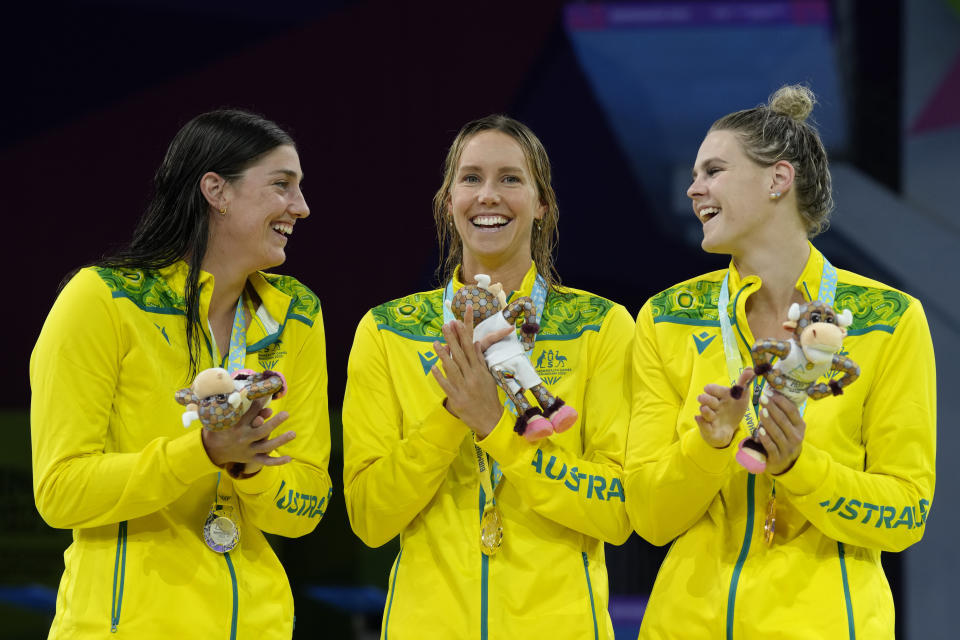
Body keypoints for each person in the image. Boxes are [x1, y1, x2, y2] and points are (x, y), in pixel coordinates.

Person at [625, 85, 936, 639]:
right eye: (697, 175)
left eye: (714, 170)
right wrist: (709, 447)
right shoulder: (667, 318)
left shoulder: (889, 319)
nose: (694, 189)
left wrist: (799, 467)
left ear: (778, 179)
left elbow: (906, 513)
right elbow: (650, 519)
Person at [30, 109, 332, 638]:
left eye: (300, 188)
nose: (301, 208)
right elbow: (61, 491)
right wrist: (204, 454)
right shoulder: (103, 300)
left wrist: (250, 469)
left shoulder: (298, 315)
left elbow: (306, 506)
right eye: (282, 185)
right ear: (216, 190)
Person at [342, 115, 634, 639]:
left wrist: (496, 427)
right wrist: (453, 416)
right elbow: (370, 518)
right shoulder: (387, 331)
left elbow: (615, 512)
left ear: (542, 203)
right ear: (447, 200)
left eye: (510, 179)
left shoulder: (602, 327)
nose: (488, 196)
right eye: (471, 178)